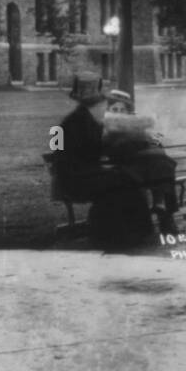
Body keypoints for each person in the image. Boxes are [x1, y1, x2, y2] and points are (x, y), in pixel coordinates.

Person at [54, 75, 153, 247]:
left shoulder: (86, 121)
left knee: (126, 179)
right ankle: (122, 233)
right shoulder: (74, 124)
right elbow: (67, 159)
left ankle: (126, 232)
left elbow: (96, 150)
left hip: (85, 174)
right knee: (123, 180)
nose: (104, 109)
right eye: (101, 105)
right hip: (74, 179)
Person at [103, 89, 179, 235]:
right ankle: (163, 210)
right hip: (122, 167)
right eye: (115, 109)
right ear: (109, 109)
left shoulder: (133, 125)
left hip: (141, 167)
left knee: (163, 164)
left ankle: (164, 213)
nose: (118, 112)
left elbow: (152, 140)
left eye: (122, 109)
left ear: (127, 111)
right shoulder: (106, 124)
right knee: (164, 166)